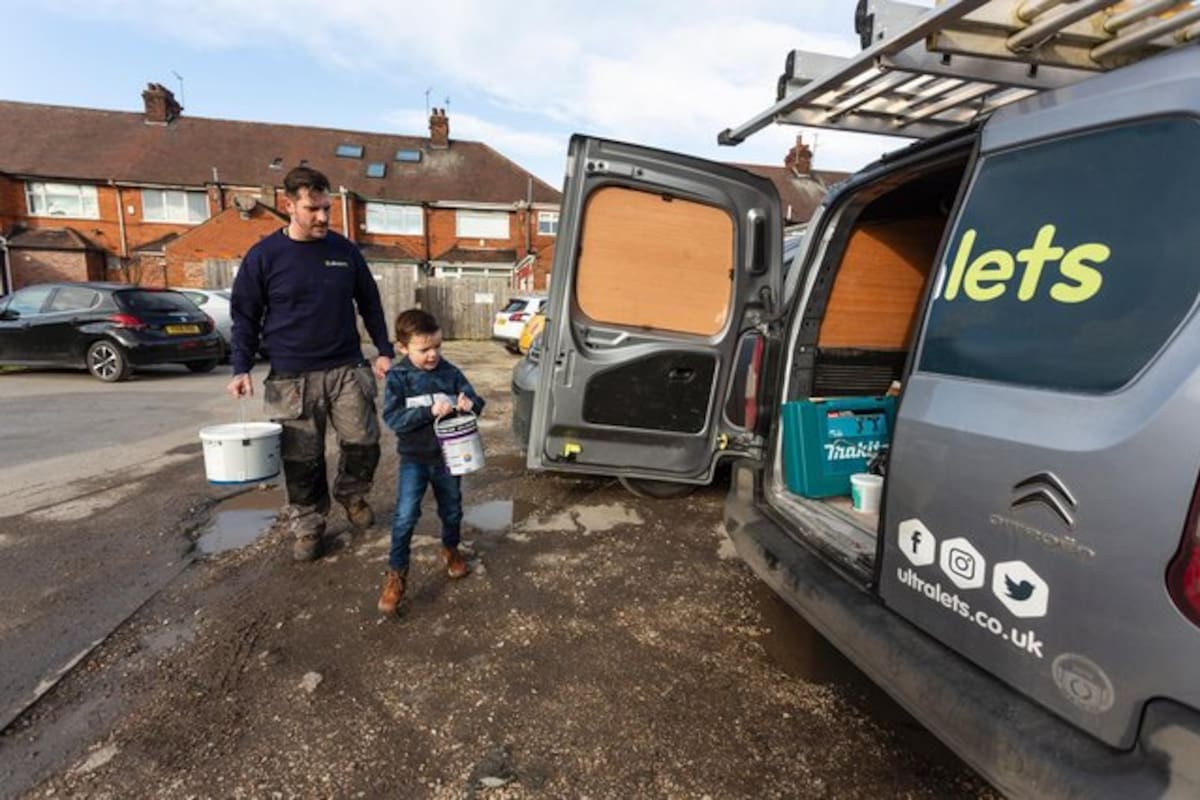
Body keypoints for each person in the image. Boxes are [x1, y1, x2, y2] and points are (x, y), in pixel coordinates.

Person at [226, 165, 395, 562]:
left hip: (347, 369)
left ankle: (352, 496)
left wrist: (384, 350)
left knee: (364, 443)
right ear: (289, 206)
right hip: (291, 376)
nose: (322, 217)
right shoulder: (264, 257)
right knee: (302, 459)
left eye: (326, 209)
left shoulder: (344, 251)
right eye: (312, 208)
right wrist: (239, 368)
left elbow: (369, 302)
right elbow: (245, 317)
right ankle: (308, 524)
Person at [377, 308, 485, 614]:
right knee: (405, 516)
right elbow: (393, 417)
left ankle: (451, 551)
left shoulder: (450, 372)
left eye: (437, 346)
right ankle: (397, 573)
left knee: (452, 509)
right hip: (414, 459)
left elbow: (477, 401)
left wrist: (469, 403)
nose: (432, 354)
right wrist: (428, 412)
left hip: (450, 458)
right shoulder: (399, 377)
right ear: (402, 348)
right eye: (423, 349)